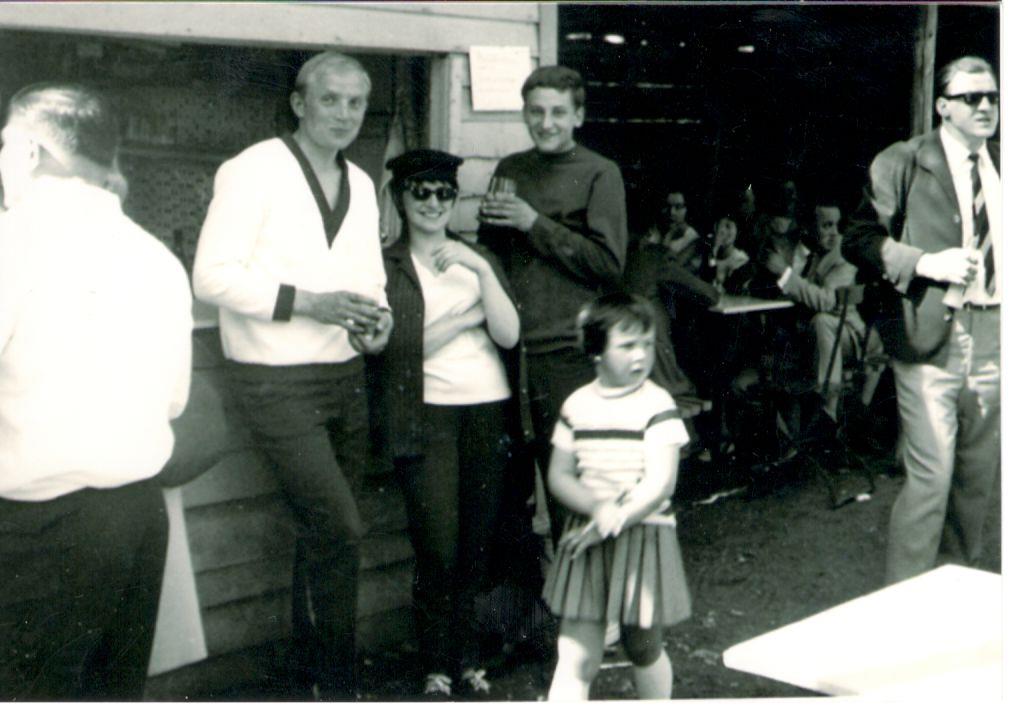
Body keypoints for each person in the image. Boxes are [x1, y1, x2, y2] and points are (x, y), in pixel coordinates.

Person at [192, 51, 392, 699]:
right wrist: (310, 303)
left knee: (328, 532)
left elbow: (370, 281)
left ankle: (313, 677)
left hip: (344, 375)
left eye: (356, 102)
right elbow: (211, 278)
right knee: (339, 527)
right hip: (274, 380)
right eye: (330, 99)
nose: (343, 114)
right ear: (299, 104)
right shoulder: (253, 170)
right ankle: (337, 684)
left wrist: (379, 323)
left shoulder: (361, 182)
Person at [0, 83, 193, 699]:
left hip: (38, 528)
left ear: (28, 152)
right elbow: (174, 401)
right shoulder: (157, 258)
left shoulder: (10, 245)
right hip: (135, 521)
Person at [366, 149, 520, 697]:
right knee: (437, 545)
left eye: (444, 193)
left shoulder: (478, 258)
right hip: (426, 414)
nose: (433, 203)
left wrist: (480, 271)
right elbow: (398, 351)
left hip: (485, 408)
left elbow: (507, 334)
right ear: (400, 198)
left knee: (477, 543)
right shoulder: (386, 265)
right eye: (421, 192)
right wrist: (463, 318)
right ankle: (436, 663)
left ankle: (468, 659)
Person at [843, 56, 1000, 585]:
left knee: (977, 479)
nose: (986, 106)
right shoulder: (905, 160)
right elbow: (859, 238)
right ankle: (903, 604)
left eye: (993, 97)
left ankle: (954, 591)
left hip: (997, 335)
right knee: (931, 476)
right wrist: (926, 263)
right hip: (931, 337)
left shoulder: (1006, 163)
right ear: (943, 106)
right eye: (972, 98)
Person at [477, 65, 629, 541]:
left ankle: (585, 588)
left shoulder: (600, 173)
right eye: (536, 112)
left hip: (568, 355)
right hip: (508, 353)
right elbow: (491, 257)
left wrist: (533, 223)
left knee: (574, 496)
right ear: (524, 113)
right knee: (509, 497)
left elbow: (609, 265)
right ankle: (533, 588)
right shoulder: (510, 170)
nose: (546, 123)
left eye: (558, 113)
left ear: (578, 116)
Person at [543, 293, 691, 701]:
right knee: (576, 657)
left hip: (643, 533)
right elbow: (559, 475)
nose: (640, 355)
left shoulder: (657, 404)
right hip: (588, 535)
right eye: (627, 345)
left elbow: (661, 483)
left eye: (646, 343)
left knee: (643, 646)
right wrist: (597, 509)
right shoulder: (577, 405)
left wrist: (613, 519)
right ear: (596, 350)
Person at [763, 202, 868, 424]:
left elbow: (826, 301)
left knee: (822, 322)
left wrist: (785, 273)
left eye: (837, 226)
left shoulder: (843, 257)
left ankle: (827, 408)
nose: (834, 233)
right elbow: (801, 292)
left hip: (848, 336)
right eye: (827, 226)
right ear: (811, 228)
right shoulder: (814, 254)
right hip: (814, 336)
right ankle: (785, 418)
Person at [644, 188, 701, 269]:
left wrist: (668, 237)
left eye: (678, 207)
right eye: (667, 206)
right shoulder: (657, 229)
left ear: (687, 209)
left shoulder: (692, 239)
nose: (672, 212)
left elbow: (669, 268)